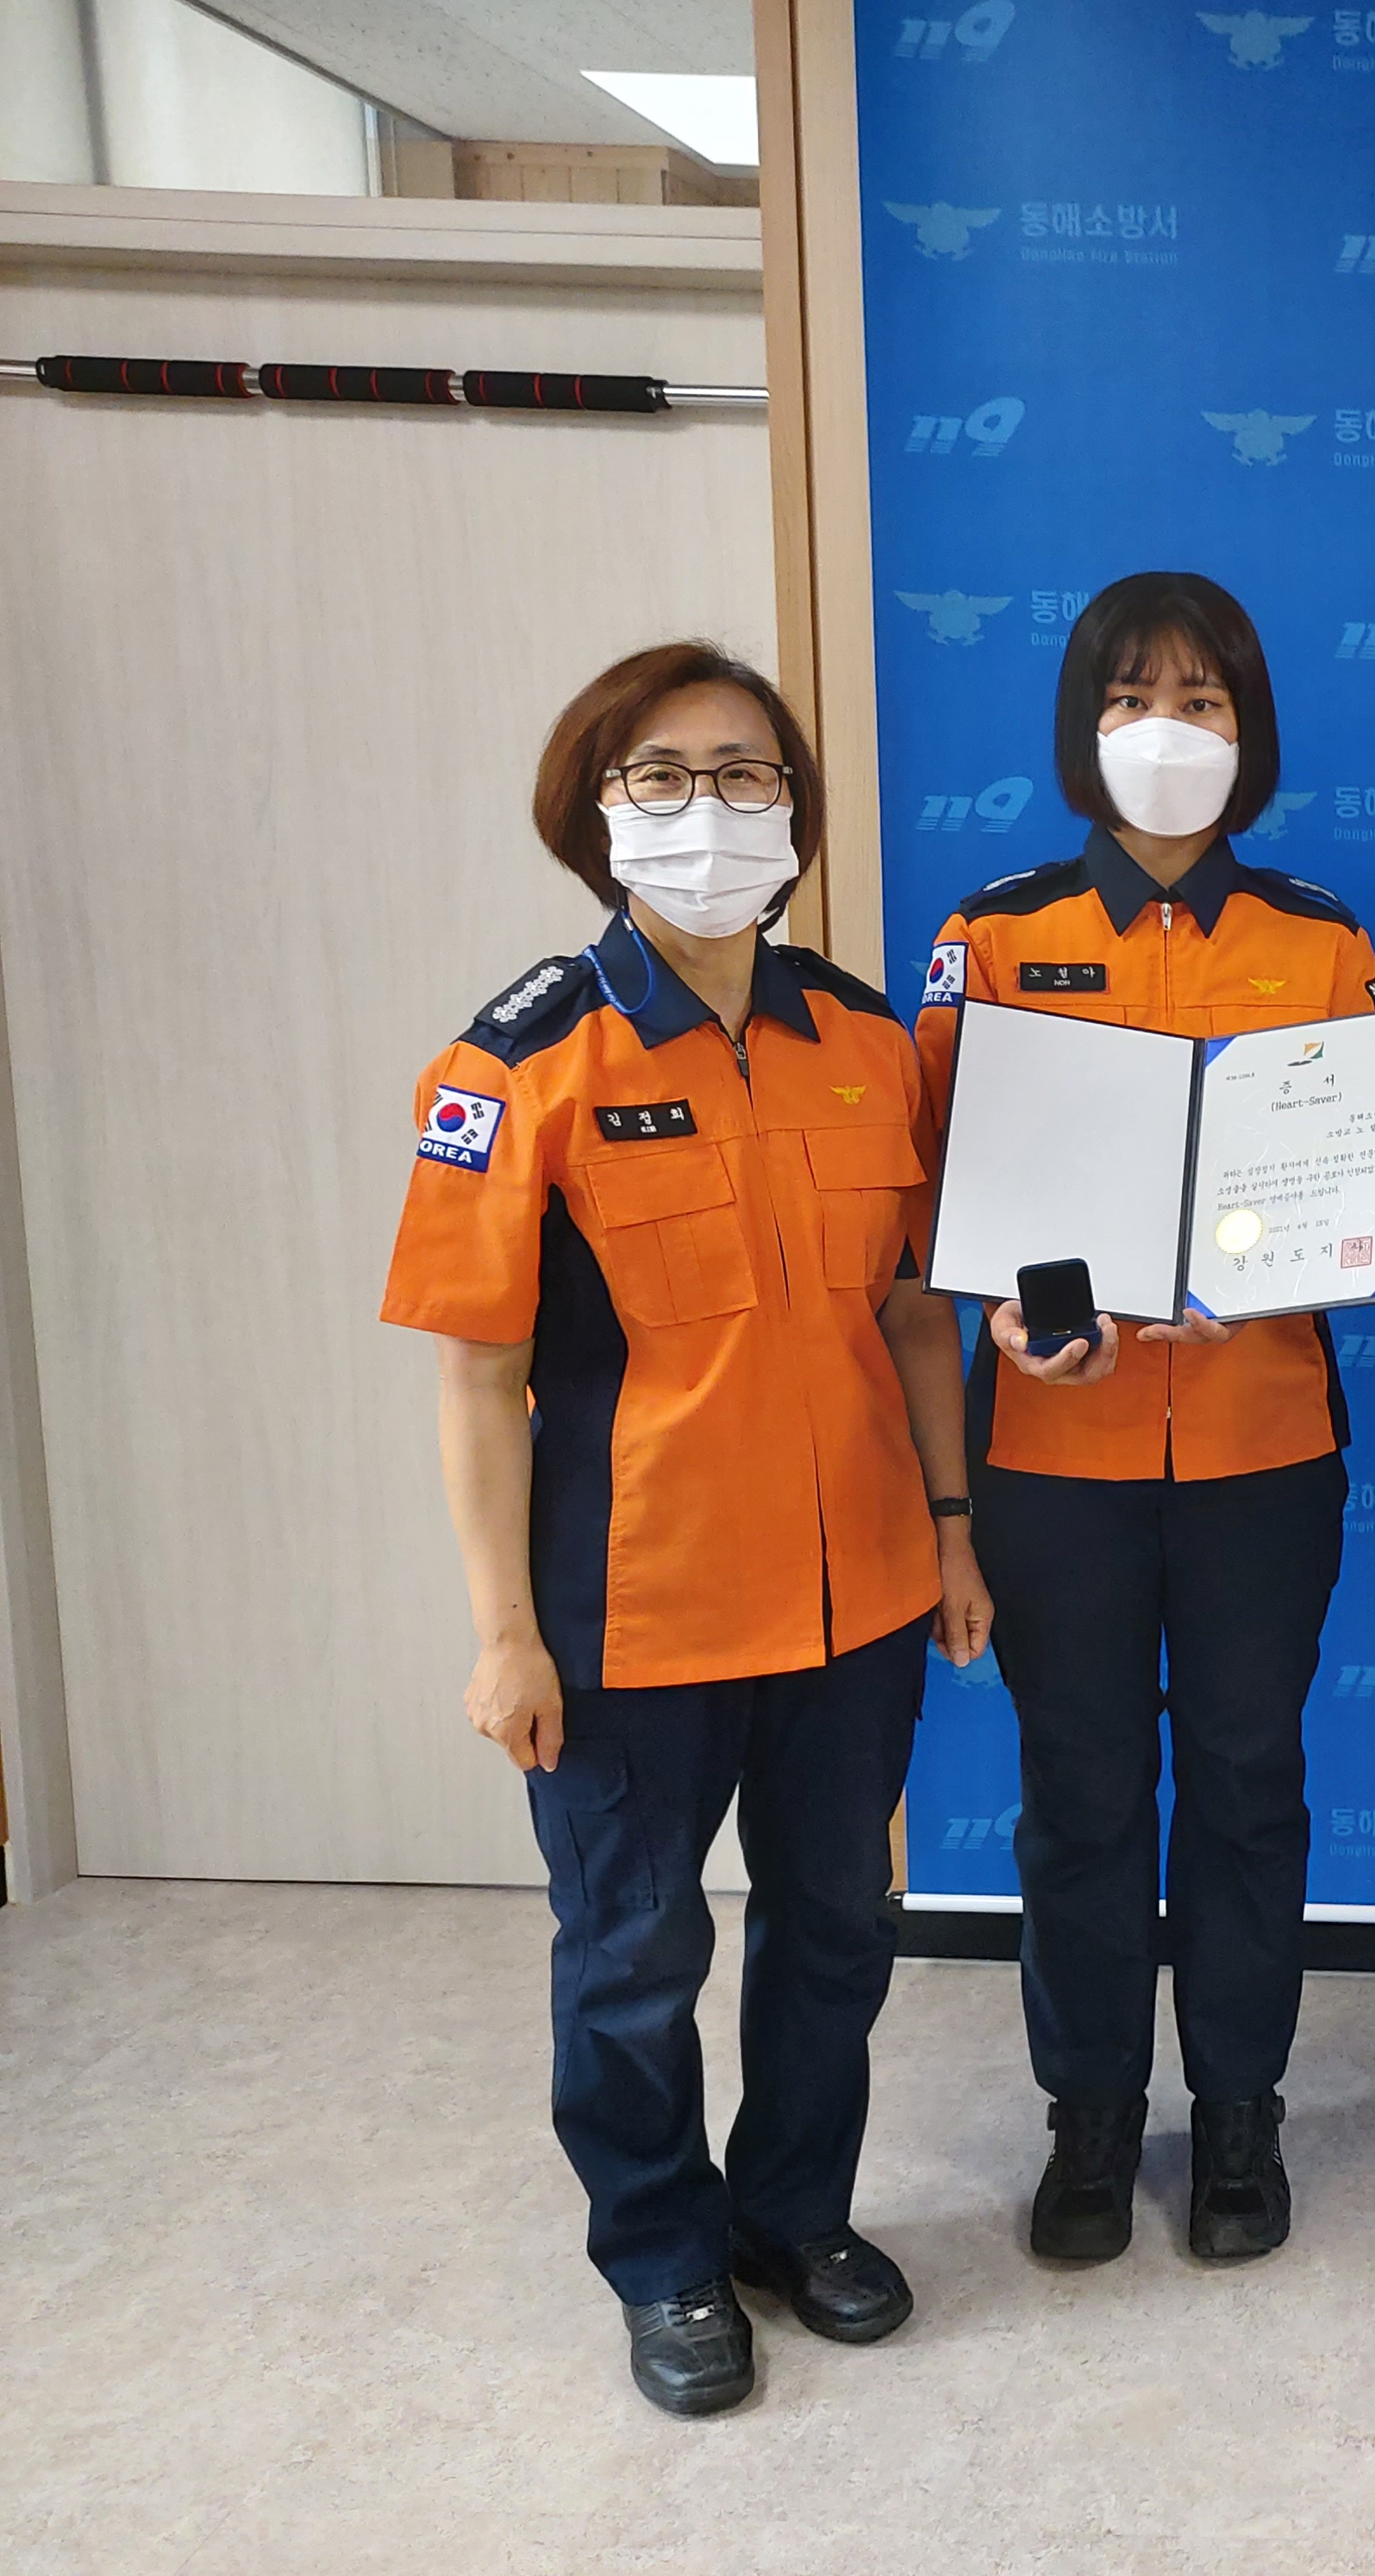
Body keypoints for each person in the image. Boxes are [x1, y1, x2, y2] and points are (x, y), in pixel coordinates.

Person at [384, 642, 992, 2418]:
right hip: (629, 1611)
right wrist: (504, 1631)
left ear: (795, 812)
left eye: (744, 774)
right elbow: (478, 1377)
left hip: (858, 1595)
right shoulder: (519, 1062)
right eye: (660, 776)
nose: (707, 808)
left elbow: (911, 1319)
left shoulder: (867, 1041)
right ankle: (661, 2254)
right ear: (597, 814)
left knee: (838, 1928)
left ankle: (793, 2215)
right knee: (636, 1960)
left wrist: (953, 1531)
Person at [913, 572, 1375, 2268]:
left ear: (1249, 733)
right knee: (1082, 1793)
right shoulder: (993, 936)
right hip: (1057, 1457)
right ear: (1081, 727)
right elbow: (942, 1188)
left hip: (1264, 1445)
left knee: (1252, 1785)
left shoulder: (1321, 941)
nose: (1166, 730)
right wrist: (1016, 1314)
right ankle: (1093, 2113)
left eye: (1201, 700)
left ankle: (1241, 2108)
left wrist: (1291, 1261)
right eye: (1131, 699)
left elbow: (1345, 1192)